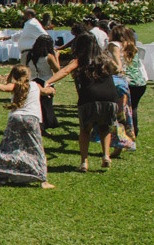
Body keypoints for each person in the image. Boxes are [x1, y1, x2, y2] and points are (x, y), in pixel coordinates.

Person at [43, 33, 119, 172]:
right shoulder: (105, 59)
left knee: (85, 130)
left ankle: (84, 162)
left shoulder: (80, 60)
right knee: (104, 127)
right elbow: (116, 69)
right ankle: (106, 156)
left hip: (89, 96)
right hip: (109, 96)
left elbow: (65, 71)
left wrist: (48, 81)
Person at [0, 66, 56, 189]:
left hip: (15, 118)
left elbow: (2, 87)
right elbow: (45, 92)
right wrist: (51, 91)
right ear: (29, 75)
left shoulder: (14, 86)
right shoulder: (34, 85)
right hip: (31, 119)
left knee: (7, 148)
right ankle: (43, 180)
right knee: (36, 149)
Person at [109, 24, 147, 137]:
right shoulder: (131, 45)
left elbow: (118, 67)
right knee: (133, 108)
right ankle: (134, 130)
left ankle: (122, 134)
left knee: (121, 110)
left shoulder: (114, 45)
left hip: (126, 82)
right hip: (140, 82)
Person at [25, 34, 61, 132]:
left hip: (33, 81)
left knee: (36, 105)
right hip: (46, 82)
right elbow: (57, 70)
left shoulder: (30, 54)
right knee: (46, 106)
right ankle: (43, 126)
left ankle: (38, 126)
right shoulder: (48, 57)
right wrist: (57, 57)